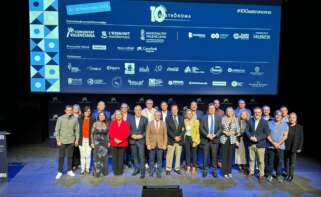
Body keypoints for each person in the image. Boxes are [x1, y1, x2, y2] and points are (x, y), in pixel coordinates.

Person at [246, 107, 270, 183]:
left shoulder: (264, 122)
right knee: (251, 159)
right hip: (251, 143)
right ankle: (251, 172)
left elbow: (267, 133)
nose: (257, 113)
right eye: (256, 112)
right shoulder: (250, 120)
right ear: (254, 113)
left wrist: (257, 138)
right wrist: (250, 137)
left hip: (260, 144)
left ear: (261, 113)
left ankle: (261, 175)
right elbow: (246, 130)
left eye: (259, 112)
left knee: (261, 161)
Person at [54, 105, 79, 179]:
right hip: (62, 141)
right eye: (67, 110)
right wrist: (58, 140)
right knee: (61, 157)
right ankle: (59, 172)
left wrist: (77, 139)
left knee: (70, 156)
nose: (69, 111)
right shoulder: (60, 118)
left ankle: (69, 170)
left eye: (70, 110)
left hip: (71, 141)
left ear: (72, 111)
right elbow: (57, 130)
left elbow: (77, 130)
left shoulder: (75, 119)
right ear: (65, 111)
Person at [200, 103, 222, 178]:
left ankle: (214, 171)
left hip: (215, 140)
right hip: (206, 140)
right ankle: (205, 170)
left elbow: (220, 129)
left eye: (213, 108)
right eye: (210, 108)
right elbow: (201, 128)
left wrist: (215, 135)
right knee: (205, 157)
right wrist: (207, 135)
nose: (211, 110)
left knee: (214, 157)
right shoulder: (203, 118)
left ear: (215, 109)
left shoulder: (219, 118)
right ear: (208, 109)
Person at [266, 110, 289, 183]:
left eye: (280, 115)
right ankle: (270, 175)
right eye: (276, 114)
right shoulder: (269, 123)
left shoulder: (285, 124)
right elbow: (267, 135)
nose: (278, 116)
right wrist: (273, 143)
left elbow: (285, 136)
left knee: (279, 161)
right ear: (274, 115)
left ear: (282, 116)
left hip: (281, 146)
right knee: (270, 161)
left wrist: (278, 144)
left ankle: (278, 175)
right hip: (270, 146)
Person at [128, 105, 148, 178]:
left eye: (139, 109)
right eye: (136, 109)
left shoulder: (145, 119)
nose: (138, 111)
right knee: (134, 156)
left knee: (141, 157)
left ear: (141, 110)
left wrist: (142, 136)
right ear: (134, 110)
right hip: (132, 141)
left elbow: (147, 130)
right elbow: (128, 129)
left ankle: (142, 172)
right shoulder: (130, 119)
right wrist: (131, 135)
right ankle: (136, 169)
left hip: (141, 141)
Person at [146, 111, 167, 178]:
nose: (157, 116)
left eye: (159, 115)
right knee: (151, 160)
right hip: (152, 145)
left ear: (160, 116)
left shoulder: (163, 123)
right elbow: (147, 134)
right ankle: (151, 173)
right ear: (154, 116)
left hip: (160, 145)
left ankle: (158, 173)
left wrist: (165, 144)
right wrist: (148, 144)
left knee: (159, 160)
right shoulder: (150, 123)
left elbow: (165, 135)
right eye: (156, 115)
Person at [220, 107, 240, 179]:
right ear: (226, 112)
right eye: (228, 111)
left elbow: (238, 130)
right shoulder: (223, 118)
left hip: (232, 140)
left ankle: (229, 171)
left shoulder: (236, 119)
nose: (229, 112)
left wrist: (233, 132)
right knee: (224, 156)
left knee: (230, 156)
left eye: (231, 111)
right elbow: (220, 128)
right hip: (224, 139)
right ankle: (224, 172)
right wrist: (225, 132)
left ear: (233, 112)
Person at [165, 104, 185, 175]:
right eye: (173, 110)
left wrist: (180, 137)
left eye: (175, 109)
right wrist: (174, 137)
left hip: (180, 140)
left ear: (177, 110)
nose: (174, 111)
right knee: (169, 156)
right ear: (171, 111)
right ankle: (168, 169)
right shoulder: (168, 118)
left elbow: (183, 129)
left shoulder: (181, 118)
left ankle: (177, 168)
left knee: (178, 155)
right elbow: (167, 130)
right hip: (171, 140)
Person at [109, 110, 130, 175]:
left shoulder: (126, 123)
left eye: (119, 114)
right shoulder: (113, 122)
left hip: (122, 143)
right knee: (114, 158)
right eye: (116, 114)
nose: (118, 116)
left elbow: (127, 133)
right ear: (115, 116)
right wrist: (115, 139)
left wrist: (121, 140)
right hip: (113, 143)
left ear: (122, 115)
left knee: (121, 158)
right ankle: (115, 171)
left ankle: (120, 171)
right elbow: (110, 132)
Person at [285, 112, 304, 182]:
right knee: (286, 162)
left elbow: (301, 138)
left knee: (292, 162)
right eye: (290, 117)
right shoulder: (286, 125)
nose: (292, 119)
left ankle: (291, 175)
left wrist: (300, 147)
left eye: (293, 117)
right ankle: (287, 174)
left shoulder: (299, 127)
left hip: (294, 147)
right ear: (288, 118)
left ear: (296, 119)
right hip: (286, 146)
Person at [91, 112, 109, 177]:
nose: (101, 116)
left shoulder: (106, 124)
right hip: (96, 143)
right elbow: (91, 134)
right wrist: (92, 143)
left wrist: (109, 142)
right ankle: (97, 173)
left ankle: (104, 173)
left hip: (104, 143)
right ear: (98, 116)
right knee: (96, 158)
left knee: (104, 158)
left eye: (103, 115)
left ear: (104, 116)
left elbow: (108, 134)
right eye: (100, 115)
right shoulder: (95, 124)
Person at [184, 109, 200, 176]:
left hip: (193, 139)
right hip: (186, 138)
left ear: (192, 115)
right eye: (188, 114)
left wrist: (195, 141)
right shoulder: (184, 121)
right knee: (187, 153)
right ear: (186, 115)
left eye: (190, 114)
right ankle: (188, 167)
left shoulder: (196, 121)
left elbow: (198, 133)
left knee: (194, 154)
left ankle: (193, 167)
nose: (189, 115)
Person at [78, 106, 94, 175]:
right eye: (86, 111)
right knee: (82, 155)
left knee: (88, 155)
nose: (88, 112)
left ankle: (87, 169)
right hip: (81, 140)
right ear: (83, 112)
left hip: (89, 140)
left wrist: (92, 142)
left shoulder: (92, 120)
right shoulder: (79, 120)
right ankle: (82, 169)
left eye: (89, 111)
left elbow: (93, 132)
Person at [120, 102, 134, 168]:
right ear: (121, 109)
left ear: (127, 108)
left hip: (129, 136)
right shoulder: (118, 115)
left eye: (125, 107)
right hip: (120, 136)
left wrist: (129, 134)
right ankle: (121, 162)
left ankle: (128, 162)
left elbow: (132, 127)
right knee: (121, 151)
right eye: (123, 107)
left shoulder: (131, 116)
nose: (124, 109)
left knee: (129, 151)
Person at [72, 104, 81, 171]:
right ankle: (73, 165)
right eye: (74, 108)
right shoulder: (70, 116)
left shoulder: (81, 116)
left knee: (79, 150)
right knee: (73, 151)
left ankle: (79, 164)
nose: (76, 109)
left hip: (80, 136)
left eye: (77, 108)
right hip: (73, 136)